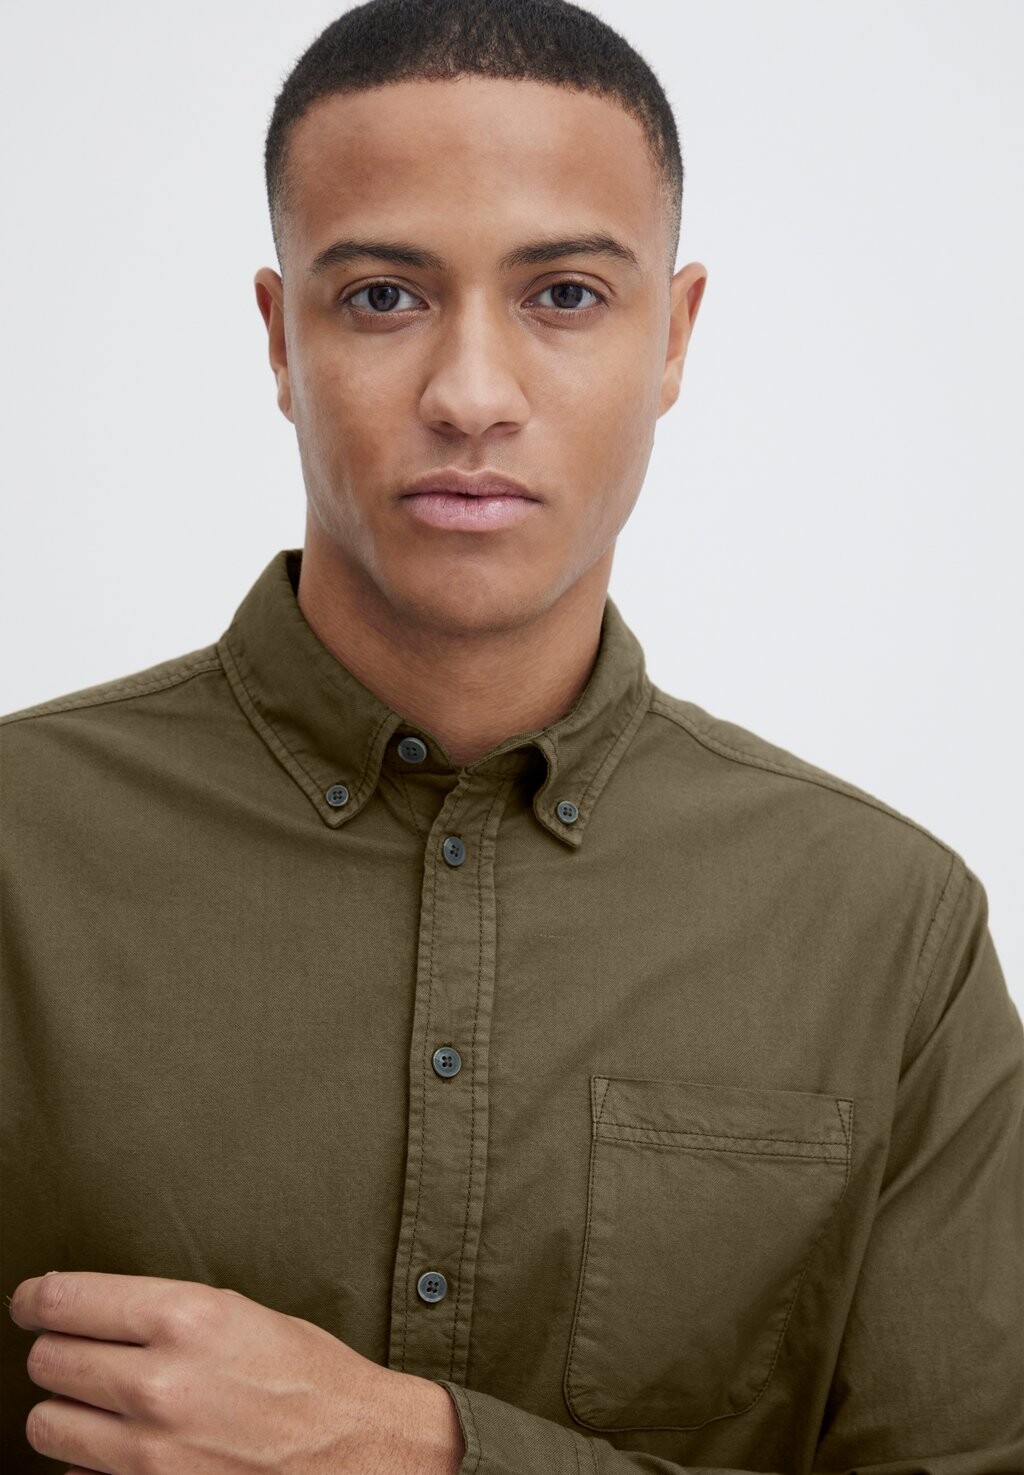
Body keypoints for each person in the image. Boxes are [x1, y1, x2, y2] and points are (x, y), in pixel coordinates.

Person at [2, 0, 1021, 1470]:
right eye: (381, 297)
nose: (471, 396)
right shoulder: (16, 852)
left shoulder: (891, 933)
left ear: (672, 339)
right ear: (280, 341)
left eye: (563, 296)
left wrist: (427, 1454)